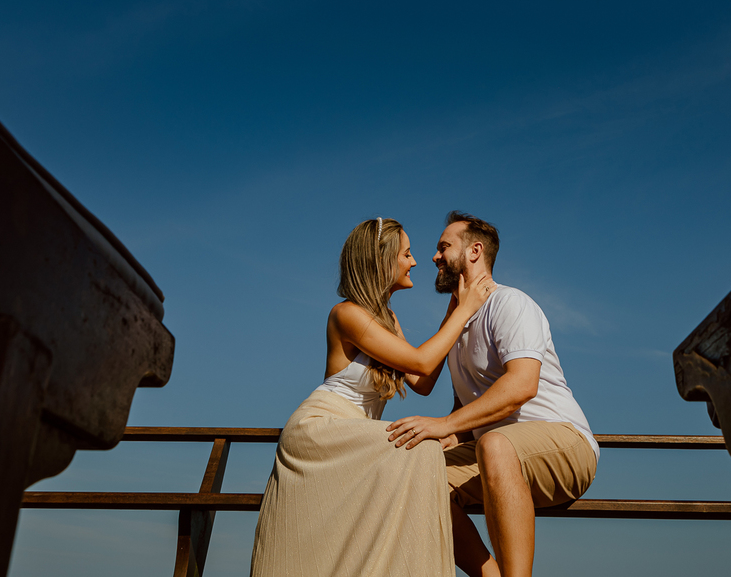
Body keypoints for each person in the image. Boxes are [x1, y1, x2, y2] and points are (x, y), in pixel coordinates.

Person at [250, 216, 493, 577]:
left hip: (356, 435)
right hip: (323, 428)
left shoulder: (388, 319)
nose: (414, 262)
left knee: (419, 450)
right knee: (422, 449)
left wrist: (451, 315)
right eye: (406, 254)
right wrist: (465, 310)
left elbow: (422, 381)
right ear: (382, 261)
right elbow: (422, 361)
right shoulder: (346, 314)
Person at [386, 212, 598, 577]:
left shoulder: (510, 303)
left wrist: (446, 424)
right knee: (411, 475)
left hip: (566, 443)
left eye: (443, 247)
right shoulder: (458, 322)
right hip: (493, 452)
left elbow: (521, 386)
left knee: (495, 444)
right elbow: (457, 398)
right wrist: (453, 434)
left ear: (474, 251)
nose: (434, 257)